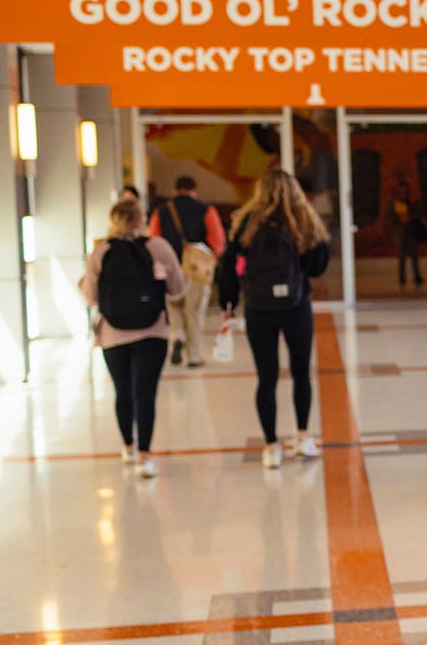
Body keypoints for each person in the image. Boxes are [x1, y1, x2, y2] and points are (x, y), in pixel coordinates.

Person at [216, 166, 332, 470]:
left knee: (266, 378)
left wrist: (228, 302)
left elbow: (227, 265)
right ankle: (303, 436)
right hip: (295, 306)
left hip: (259, 308)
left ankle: (270, 445)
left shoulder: (246, 223)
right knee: (300, 372)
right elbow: (318, 265)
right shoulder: (302, 221)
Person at [79, 197, 187, 479]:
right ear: (141, 219)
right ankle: (145, 455)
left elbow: (90, 297)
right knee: (145, 393)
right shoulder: (158, 247)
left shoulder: (101, 252)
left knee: (123, 391)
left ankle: (128, 446)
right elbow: (177, 289)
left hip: (113, 334)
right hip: (152, 331)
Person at [149, 174, 226, 367]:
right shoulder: (206, 209)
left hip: (168, 270)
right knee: (194, 312)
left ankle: (176, 338)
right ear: (194, 190)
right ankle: (194, 356)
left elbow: (153, 239)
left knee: (173, 308)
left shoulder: (162, 211)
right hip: (196, 270)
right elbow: (217, 242)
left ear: (175, 190)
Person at [391, 177, 427, 286]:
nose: (404, 193)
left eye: (405, 191)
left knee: (414, 255)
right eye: (401, 191)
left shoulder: (411, 203)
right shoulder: (396, 203)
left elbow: (415, 215)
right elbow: (397, 218)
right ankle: (402, 278)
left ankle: (417, 275)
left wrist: (410, 217)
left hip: (411, 232)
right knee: (402, 256)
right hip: (401, 233)